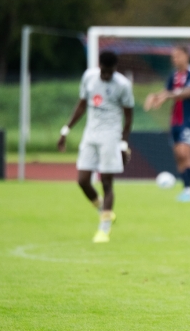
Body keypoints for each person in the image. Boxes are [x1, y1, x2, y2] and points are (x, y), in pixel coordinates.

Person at [57, 51, 134, 243]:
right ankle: (104, 210)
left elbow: (129, 117)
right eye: (104, 71)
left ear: (115, 69)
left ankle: (104, 229)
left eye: (110, 72)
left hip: (111, 136)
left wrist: (123, 144)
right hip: (90, 134)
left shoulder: (123, 85)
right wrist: (66, 130)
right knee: (82, 180)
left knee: (106, 183)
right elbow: (81, 105)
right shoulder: (89, 77)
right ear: (99, 66)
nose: (106, 75)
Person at [143, 46, 190, 202]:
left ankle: (189, 190)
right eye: (173, 57)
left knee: (185, 153)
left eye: (178, 56)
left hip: (189, 120)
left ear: (186, 56)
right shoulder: (174, 75)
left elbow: (189, 92)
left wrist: (168, 96)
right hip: (175, 120)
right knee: (178, 156)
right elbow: (166, 91)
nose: (175, 59)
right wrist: (156, 96)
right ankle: (185, 189)